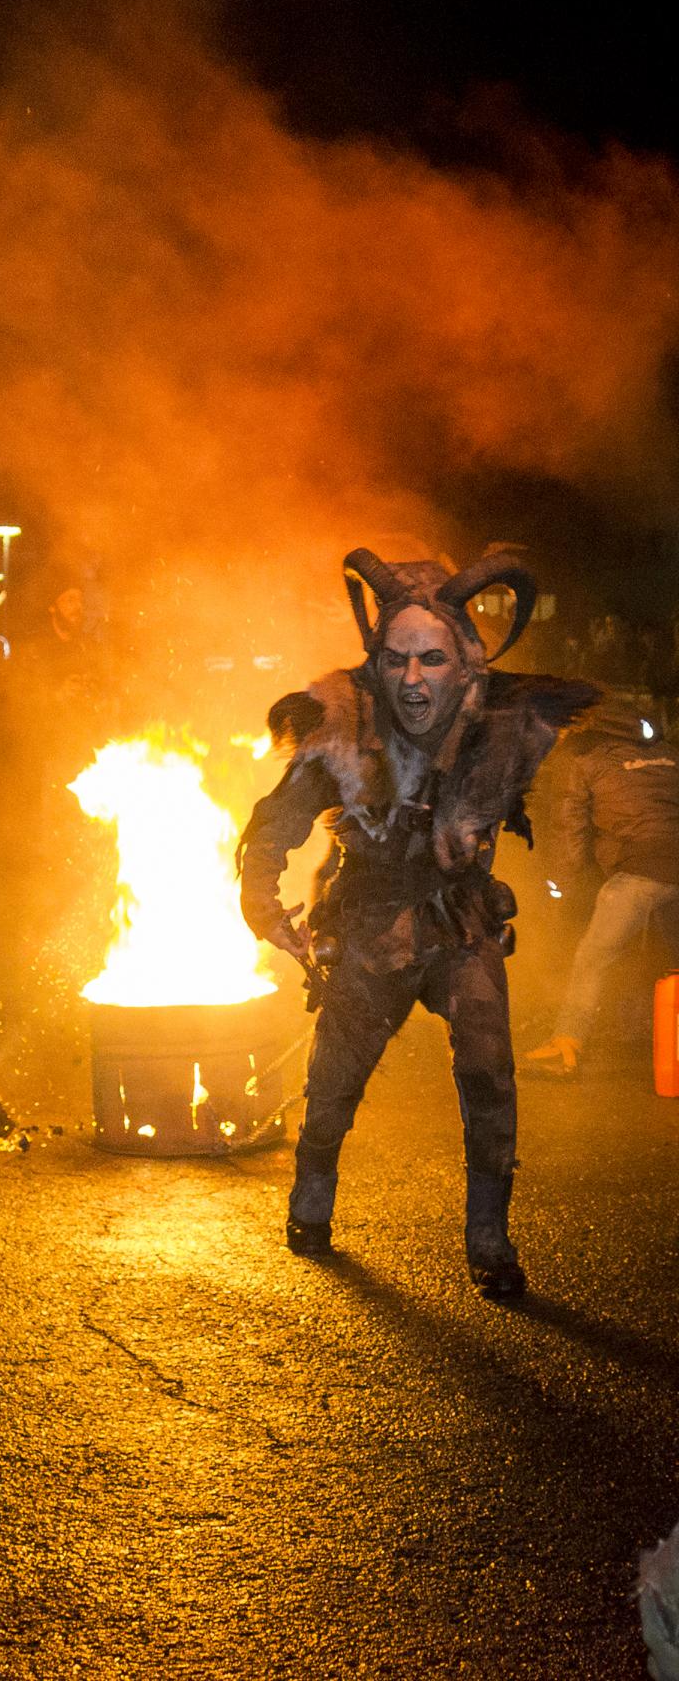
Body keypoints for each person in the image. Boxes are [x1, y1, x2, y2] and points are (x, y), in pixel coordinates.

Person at [238, 547, 595, 1297]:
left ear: (465, 665)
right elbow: (274, 828)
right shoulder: (341, 724)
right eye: (396, 659)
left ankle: (489, 1241)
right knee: (334, 1081)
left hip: (461, 920)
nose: (412, 679)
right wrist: (262, 904)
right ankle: (310, 1204)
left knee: (489, 1073)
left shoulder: (503, 726)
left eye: (431, 659)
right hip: (369, 922)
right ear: (377, 663)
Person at [524, 704, 679, 1075]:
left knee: (592, 958)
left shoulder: (581, 754)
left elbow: (568, 829)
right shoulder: (667, 752)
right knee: (670, 958)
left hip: (638, 869)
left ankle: (566, 1047)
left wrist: (559, 886)